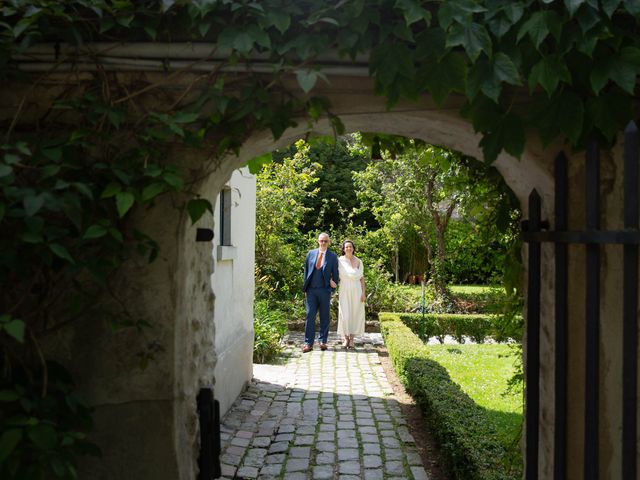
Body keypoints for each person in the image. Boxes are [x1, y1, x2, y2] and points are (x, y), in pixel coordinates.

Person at [302, 232, 339, 353]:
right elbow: (306, 272)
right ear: (318, 241)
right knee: (310, 315)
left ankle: (323, 341)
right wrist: (306, 288)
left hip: (324, 290)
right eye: (321, 241)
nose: (323, 243)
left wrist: (333, 285)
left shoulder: (332, 256)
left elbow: (335, 274)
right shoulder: (310, 254)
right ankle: (308, 343)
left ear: (329, 242)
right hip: (311, 290)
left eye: (325, 241)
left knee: (324, 316)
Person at [337, 239, 366, 349]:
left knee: (355, 313)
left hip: (357, 291)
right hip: (344, 290)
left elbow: (362, 278)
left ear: (353, 248)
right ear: (343, 249)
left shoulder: (359, 261)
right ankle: (345, 338)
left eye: (350, 246)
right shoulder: (339, 261)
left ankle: (352, 339)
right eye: (346, 247)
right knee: (344, 314)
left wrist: (363, 293)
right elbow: (333, 273)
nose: (349, 248)